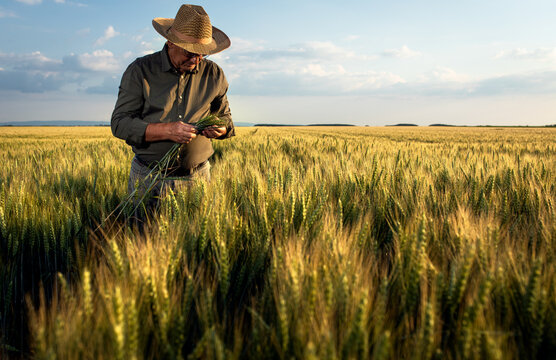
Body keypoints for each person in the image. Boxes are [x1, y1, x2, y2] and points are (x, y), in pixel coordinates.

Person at [111, 4, 234, 214]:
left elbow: (225, 120)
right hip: (149, 179)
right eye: (190, 53)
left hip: (198, 178)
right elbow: (120, 124)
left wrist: (220, 129)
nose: (196, 60)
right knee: (144, 240)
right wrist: (167, 131)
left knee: (194, 244)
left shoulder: (214, 74)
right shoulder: (140, 70)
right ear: (170, 42)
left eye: (202, 54)